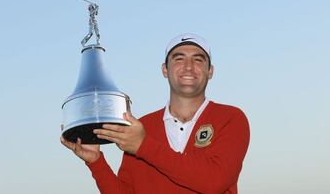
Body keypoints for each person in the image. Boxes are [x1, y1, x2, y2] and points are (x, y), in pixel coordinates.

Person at [61, 33, 250, 194]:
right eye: (178, 58)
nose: (189, 66)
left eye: (198, 60)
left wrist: (143, 146)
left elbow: (213, 182)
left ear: (210, 72)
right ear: (164, 70)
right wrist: (96, 162)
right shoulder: (142, 127)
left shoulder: (231, 118)